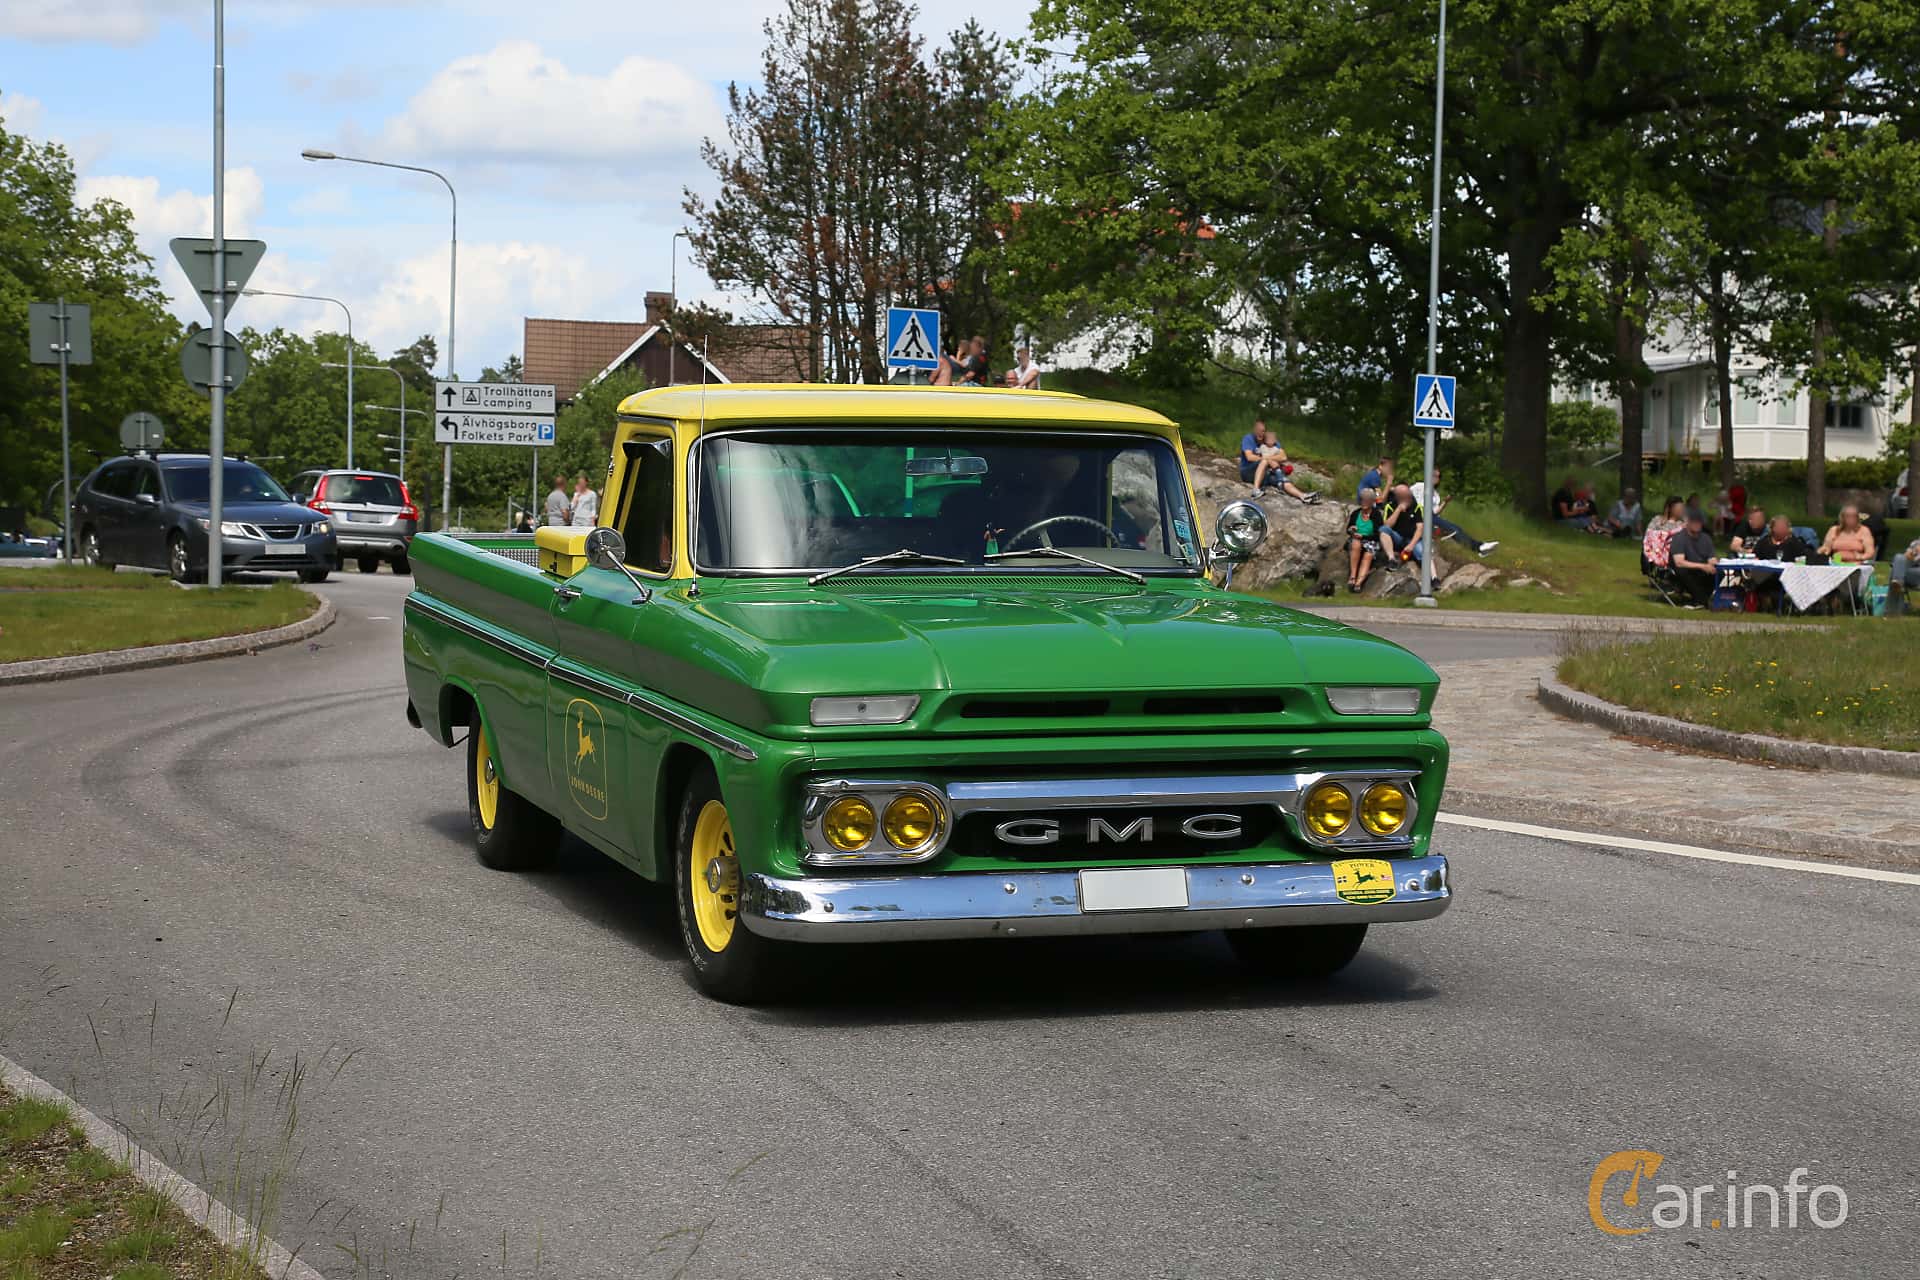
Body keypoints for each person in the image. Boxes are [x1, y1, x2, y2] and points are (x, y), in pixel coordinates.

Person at [1409, 468, 1497, 555]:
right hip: (1418, 516)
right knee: (1452, 529)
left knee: (1456, 529)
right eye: (1433, 475)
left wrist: (1445, 502)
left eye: (1437, 477)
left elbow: (1435, 513)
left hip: (1430, 517)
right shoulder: (1419, 486)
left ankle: (1479, 547)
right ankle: (1479, 547)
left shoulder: (1435, 495)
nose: (1435, 478)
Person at [1239, 420, 1319, 503]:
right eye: (1258, 430)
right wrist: (1268, 460)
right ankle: (1255, 490)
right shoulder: (1248, 438)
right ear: (1254, 430)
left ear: (1265, 431)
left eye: (1262, 431)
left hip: (1265, 473)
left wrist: (1269, 459)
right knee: (1265, 462)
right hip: (1248, 472)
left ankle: (1303, 496)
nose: (1260, 433)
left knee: (1281, 479)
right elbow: (1249, 457)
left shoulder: (1269, 440)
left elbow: (1283, 457)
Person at [1668, 511, 1718, 607]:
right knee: (1683, 571)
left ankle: (1713, 598)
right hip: (1685, 570)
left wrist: (1714, 565)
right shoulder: (1679, 538)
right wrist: (1702, 566)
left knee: (1719, 571)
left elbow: (1712, 558)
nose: (1697, 524)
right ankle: (1702, 599)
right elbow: (1679, 562)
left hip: (1701, 570)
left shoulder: (1706, 538)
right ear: (1687, 523)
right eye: (1694, 522)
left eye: (1699, 522)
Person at [1379, 483, 1426, 568]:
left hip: (1412, 539)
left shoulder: (1417, 507)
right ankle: (1391, 559)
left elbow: (1420, 528)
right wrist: (1398, 510)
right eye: (1404, 496)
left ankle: (1430, 575)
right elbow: (1387, 526)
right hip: (1397, 538)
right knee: (1383, 530)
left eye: (1408, 495)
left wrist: (1411, 545)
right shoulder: (1390, 506)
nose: (1408, 498)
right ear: (1398, 497)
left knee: (1421, 552)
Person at [1346, 487, 1383, 591]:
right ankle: (1352, 577)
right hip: (1356, 539)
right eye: (1362, 500)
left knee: (1368, 555)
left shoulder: (1376, 515)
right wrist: (1351, 529)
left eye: (1366, 500)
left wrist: (1364, 536)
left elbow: (1377, 534)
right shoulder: (1356, 513)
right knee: (1356, 543)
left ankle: (1359, 583)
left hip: (1371, 540)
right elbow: (1348, 529)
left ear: (1371, 502)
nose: (1364, 503)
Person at [1889, 531, 1920, 616]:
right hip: (1915, 573)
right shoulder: (1916, 543)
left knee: (1896, 571)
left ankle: (1892, 610)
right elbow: (1908, 557)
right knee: (1899, 558)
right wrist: (1912, 553)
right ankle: (1898, 582)